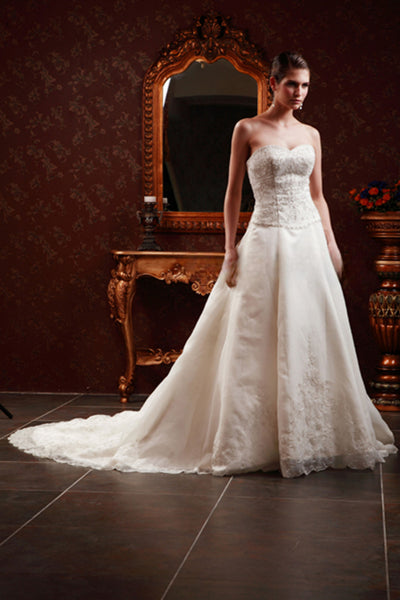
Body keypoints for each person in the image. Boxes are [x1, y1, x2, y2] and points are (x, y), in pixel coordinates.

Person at [9, 52, 397, 478]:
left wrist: (332, 244)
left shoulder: (312, 134)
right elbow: (232, 193)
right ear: (273, 83)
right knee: (256, 337)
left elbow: (317, 196)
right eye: (291, 84)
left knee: (309, 332)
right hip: (265, 238)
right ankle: (254, 437)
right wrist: (230, 249)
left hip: (307, 244)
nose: (299, 93)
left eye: (305, 85)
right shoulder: (247, 128)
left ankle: (310, 434)